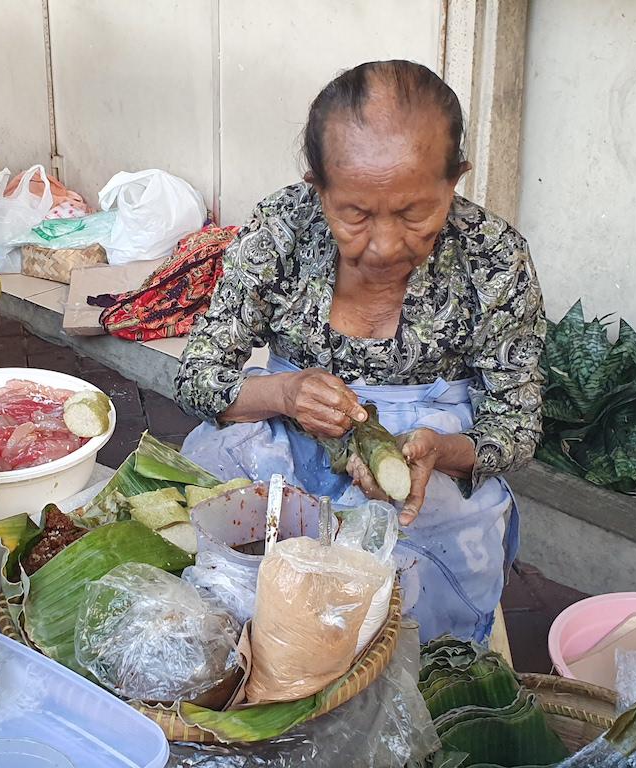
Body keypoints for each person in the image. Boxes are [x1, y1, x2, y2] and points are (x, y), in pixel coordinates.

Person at [175, 60, 546, 644]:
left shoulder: (492, 257)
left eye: (414, 212)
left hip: (427, 474)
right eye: (354, 213)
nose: (383, 245)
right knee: (237, 577)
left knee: (412, 611)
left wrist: (442, 451)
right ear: (316, 186)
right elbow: (199, 377)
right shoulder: (283, 229)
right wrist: (285, 394)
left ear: (456, 180)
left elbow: (517, 427)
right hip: (284, 442)